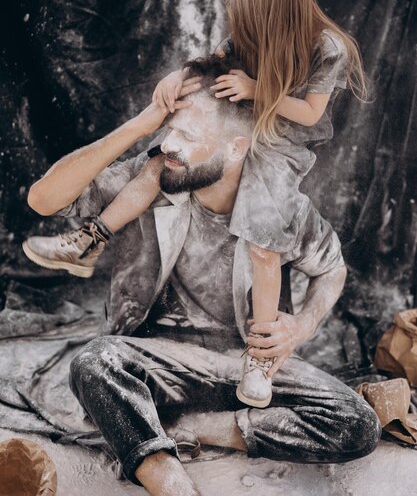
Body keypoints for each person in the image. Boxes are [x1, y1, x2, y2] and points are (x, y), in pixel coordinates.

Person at [23, 0, 367, 409]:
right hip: (159, 351)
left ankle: (259, 357)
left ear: (281, 8)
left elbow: (309, 112)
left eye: (251, 16)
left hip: (281, 141)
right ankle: (92, 237)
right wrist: (176, 77)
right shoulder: (241, 44)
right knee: (150, 170)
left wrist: (257, 90)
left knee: (264, 239)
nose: (173, 143)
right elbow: (209, 63)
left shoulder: (328, 49)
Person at [25, 63, 380, 496]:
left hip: (242, 370)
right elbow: (43, 199)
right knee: (94, 361)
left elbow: (331, 270)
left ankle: (196, 428)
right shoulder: (155, 173)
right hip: (154, 362)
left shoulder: (282, 208)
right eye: (171, 130)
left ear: (235, 149)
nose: (169, 145)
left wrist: (302, 324)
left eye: (189, 137)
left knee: (356, 422)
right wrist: (144, 123)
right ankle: (170, 482)